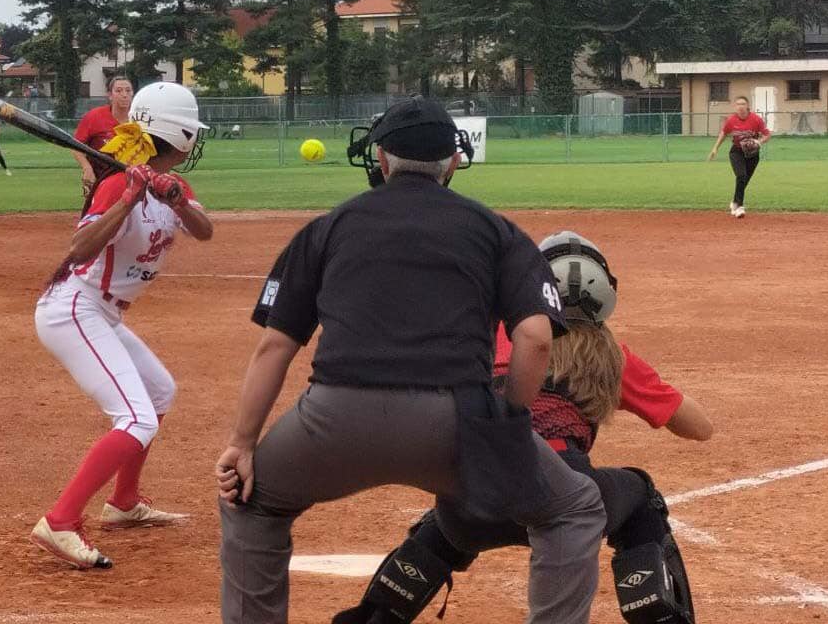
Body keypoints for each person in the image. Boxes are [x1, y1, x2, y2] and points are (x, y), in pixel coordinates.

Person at [216, 96, 606, 624]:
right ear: (453, 162)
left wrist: (242, 444)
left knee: (252, 501)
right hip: (456, 425)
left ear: (381, 159)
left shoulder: (327, 227)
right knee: (574, 508)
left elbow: (275, 347)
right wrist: (507, 420)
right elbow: (536, 339)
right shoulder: (495, 230)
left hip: (334, 420)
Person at [334, 231, 712, 624]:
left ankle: (376, 616)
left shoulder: (490, 332)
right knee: (641, 498)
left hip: (469, 508)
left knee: (452, 510)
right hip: (561, 502)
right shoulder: (612, 356)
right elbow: (700, 428)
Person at [30, 82, 214, 569]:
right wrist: (130, 196)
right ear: (178, 135)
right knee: (137, 418)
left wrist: (174, 199)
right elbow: (80, 250)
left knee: (159, 393)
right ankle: (61, 520)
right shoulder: (118, 184)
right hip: (75, 307)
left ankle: (124, 503)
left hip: (105, 312)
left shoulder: (172, 185)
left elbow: (205, 230)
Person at [707, 95, 771, 218]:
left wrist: (758, 142)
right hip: (737, 152)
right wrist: (715, 148)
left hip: (752, 154)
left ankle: (734, 202)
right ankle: (739, 207)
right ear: (735, 107)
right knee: (741, 176)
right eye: (738, 104)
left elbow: (767, 135)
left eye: (743, 104)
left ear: (747, 106)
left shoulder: (756, 119)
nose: (740, 106)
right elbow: (724, 133)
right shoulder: (731, 120)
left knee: (744, 180)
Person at [73, 76, 134, 196]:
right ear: (110, 95)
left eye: (128, 90)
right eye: (118, 90)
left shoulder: (139, 120)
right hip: (100, 179)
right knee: (96, 213)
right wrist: (87, 168)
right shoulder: (95, 116)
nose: (124, 94)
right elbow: (75, 146)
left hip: (130, 180)